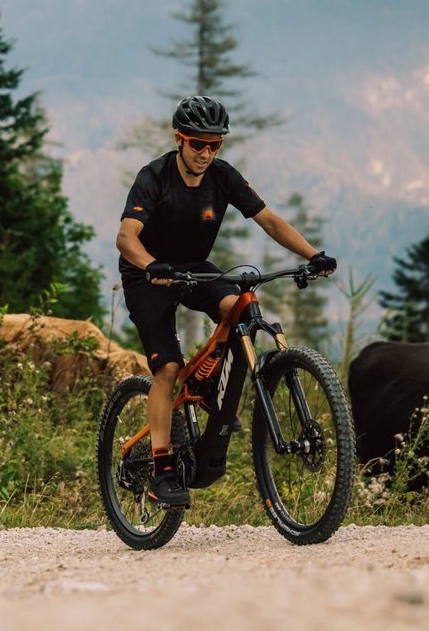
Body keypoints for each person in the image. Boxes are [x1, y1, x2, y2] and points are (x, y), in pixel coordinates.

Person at [115, 94, 337, 509]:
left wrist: (312, 255)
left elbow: (268, 219)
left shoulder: (223, 176)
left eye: (214, 144)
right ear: (179, 140)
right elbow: (126, 237)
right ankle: (162, 470)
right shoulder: (154, 176)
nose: (205, 152)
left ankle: (213, 389)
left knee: (240, 307)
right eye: (197, 143)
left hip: (195, 267)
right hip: (147, 273)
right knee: (167, 367)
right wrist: (151, 266)